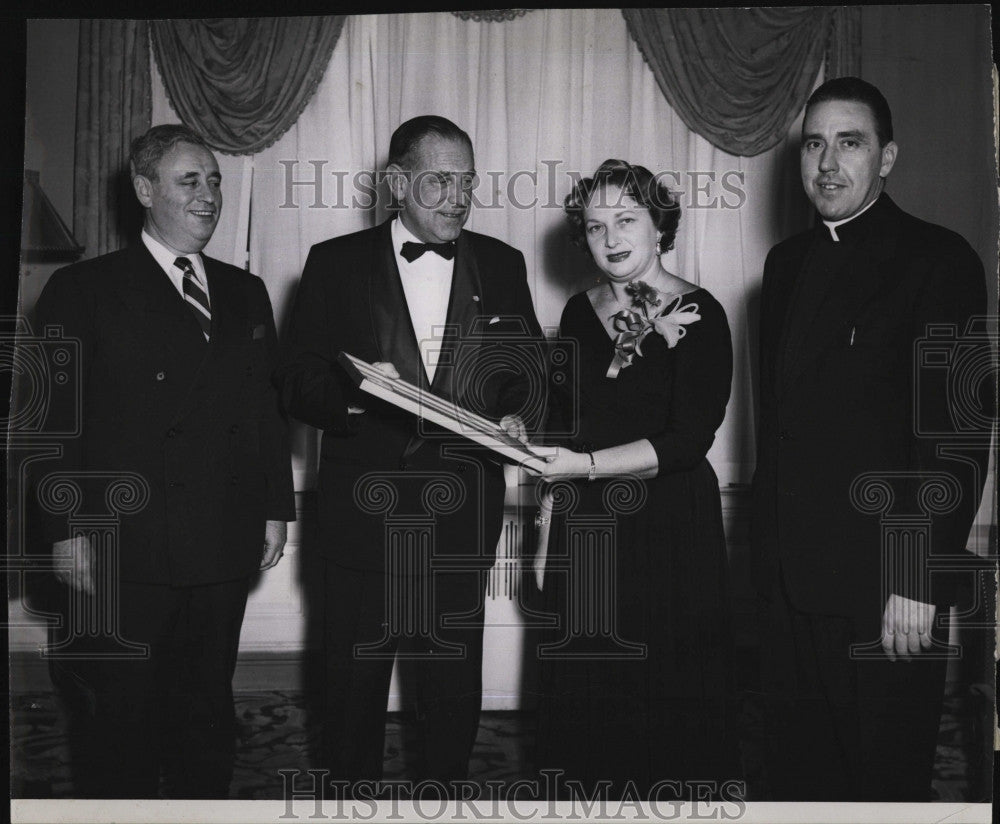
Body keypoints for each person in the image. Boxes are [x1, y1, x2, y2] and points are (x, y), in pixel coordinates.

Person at [275, 115, 544, 793]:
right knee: (350, 696)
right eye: (440, 180)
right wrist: (358, 396)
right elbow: (296, 378)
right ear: (397, 182)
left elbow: (531, 373)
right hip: (361, 524)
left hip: (459, 523)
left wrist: (518, 412)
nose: (458, 196)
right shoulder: (334, 262)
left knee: (453, 694)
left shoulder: (502, 264)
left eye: (468, 182)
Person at [30, 124, 296, 798]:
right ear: (145, 190)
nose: (208, 195)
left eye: (213, 180)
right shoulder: (82, 288)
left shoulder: (245, 292)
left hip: (221, 541)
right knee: (118, 719)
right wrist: (66, 534)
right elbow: (53, 424)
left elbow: (264, 411)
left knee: (206, 709)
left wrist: (274, 510)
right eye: (190, 180)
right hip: (122, 544)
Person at [751, 76, 991, 801]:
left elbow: (955, 437)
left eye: (849, 143)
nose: (827, 163)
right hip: (790, 583)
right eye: (814, 144)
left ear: (886, 158)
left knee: (885, 788)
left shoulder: (941, 260)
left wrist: (917, 577)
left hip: (887, 590)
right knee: (799, 786)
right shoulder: (783, 266)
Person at [532, 159, 739, 798]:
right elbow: (564, 429)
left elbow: (687, 440)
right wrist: (544, 531)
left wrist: (587, 467)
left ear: (660, 226)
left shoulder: (701, 313)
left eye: (627, 219)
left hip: (669, 529)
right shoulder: (575, 312)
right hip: (587, 530)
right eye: (595, 226)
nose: (611, 237)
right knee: (588, 698)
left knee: (669, 703)